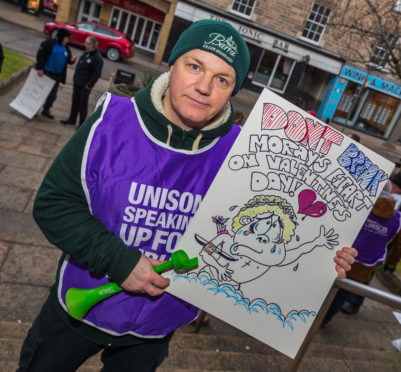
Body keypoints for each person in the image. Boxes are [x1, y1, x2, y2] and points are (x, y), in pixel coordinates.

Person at [18, 20, 357, 371]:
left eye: (222, 79)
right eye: (194, 66)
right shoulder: (111, 121)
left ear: (233, 91)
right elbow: (53, 204)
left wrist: (322, 259)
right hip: (79, 309)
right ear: (173, 64)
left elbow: (264, 238)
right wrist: (118, 260)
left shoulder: (246, 157)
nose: (204, 87)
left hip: (154, 329)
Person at [322, 181, 401, 325]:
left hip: (342, 257)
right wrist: (390, 263)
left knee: (325, 290)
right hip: (367, 265)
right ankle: (325, 320)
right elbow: (398, 246)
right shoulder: (398, 218)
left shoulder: (359, 205)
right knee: (342, 295)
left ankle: (317, 317)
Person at [61, 36, 103, 127]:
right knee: (75, 102)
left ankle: (81, 125)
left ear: (92, 45)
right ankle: (72, 119)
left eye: (87, 43)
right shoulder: (86, 53)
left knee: (82, 105)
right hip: (78, 82)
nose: (85, 44)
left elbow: (97, 74)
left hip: (85, 85)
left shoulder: (98, 58)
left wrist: (89, 85)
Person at [36, 28, 77, 119]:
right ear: (61, 36)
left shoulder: (66, 47)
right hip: (46, 72)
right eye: (66, 38)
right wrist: (40, 68)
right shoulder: (49, 43)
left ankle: (46, 110)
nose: (67, 40)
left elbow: (68, 60)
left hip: (57, 75)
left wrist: (72, 61)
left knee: (53, 95)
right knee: (40, 93)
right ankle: (34, 109)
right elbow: (40, 55)